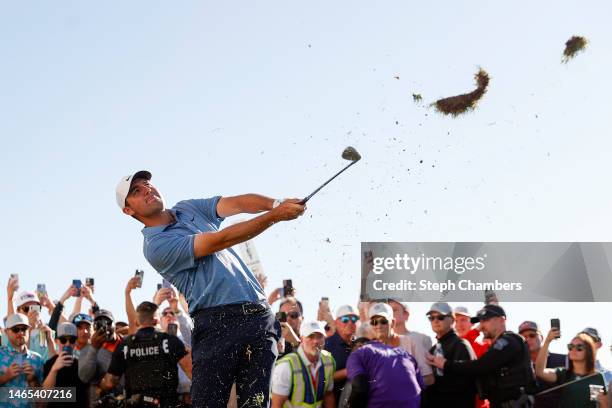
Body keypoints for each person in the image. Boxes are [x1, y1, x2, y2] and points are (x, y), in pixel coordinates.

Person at [116, 170, 306, 408]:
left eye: (146, 184)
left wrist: (275, 204)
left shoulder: (186, 208)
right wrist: (275, 216)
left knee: (255, 404)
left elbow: (235, 203)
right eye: (136, 191)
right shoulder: (156, 246)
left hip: (259, 318)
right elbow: (220, 240)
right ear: (129, 210)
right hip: (217, 324)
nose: (146, 189)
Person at [427, 304, 536, 408]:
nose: (482, 325)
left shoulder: (509, 340)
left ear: (502, 320)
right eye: (481, 321)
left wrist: (446, 364)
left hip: (514, 402)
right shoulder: (495, 346)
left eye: (486, 320)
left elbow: (482, 365)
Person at [100, 301, 192, 407]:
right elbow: (191, 371)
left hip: (135, 403)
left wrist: (98, 387)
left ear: (137, 321)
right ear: (156, 320)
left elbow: (110, 382)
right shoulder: (170, 341)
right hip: (166, 403)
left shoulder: (125, 345)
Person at [346, 325, 424, 407]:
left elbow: (360, 388)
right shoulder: (405, 353)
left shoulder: (358, 353)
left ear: (357, 346)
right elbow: (422, 388)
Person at [422, 302, 477, 408]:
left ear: (452, 320)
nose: (435, 320)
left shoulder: (461, 344)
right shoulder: (433, 349)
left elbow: (468, 382)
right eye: (431, 318)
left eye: (440, 317)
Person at [535, 330, 607, 408]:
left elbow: (600, 405)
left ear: (589, 351)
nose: (573, 350)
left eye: (579, 347)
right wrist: (547, 341)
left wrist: (603, 402)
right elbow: (539, 372)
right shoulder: (563, 373)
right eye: (570, 347)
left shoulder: (597, 377)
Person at [271, 320, 335, 408]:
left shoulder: (328, 361)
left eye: (319, 336)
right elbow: (276, 405)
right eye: (311, 336)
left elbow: (328, 394)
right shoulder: (286, 366)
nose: (315, 341)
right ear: (301, 339)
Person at [367, 302, 434, 385]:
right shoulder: (368, 350)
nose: (378, 325)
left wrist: (405, 386)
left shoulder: (412, 342)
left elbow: (429, 378)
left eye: (383, 321)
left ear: (393, 322)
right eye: (374, 322)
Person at [78, 309, 124, 406]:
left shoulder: (127, 342)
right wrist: (94, 348)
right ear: (94, 327)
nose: (104, 327)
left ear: (115, 325)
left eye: (108, 322)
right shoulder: (88, 349)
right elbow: (84, 377)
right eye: (99, 323)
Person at [518, 321, 566, 408]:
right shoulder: (517, 366)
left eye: (532, 335)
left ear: (542, 338)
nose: (528, 339)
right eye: (524, 337)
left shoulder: (562, 360)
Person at [0, 314, 44, 408]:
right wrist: (5, 377)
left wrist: (33, 380)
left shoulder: (37, 359)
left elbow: (42, 400)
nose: (20, 333)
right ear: (6, 332)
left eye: (24, 329)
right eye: (16, 329)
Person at [42, 322, 88, 407]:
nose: (67, 344)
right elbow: (44, 396)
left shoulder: (81, 364)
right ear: (56, 341)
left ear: (76, 342)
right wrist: (54, 370)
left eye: (72, 340)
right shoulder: (49, 364)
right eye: (63, 340)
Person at [324, 305, 359, 402]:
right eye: (345, 319)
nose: (350, 322)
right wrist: (347, 372)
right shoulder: (326, 345)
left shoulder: (360, 345)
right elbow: (321, 379)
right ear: (336, 323)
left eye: (354, 319)